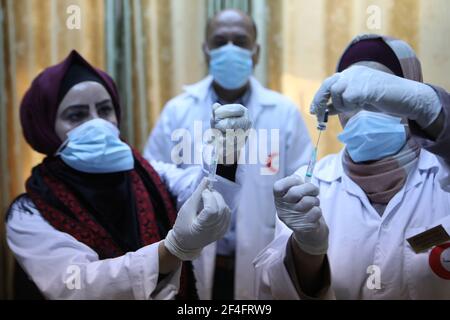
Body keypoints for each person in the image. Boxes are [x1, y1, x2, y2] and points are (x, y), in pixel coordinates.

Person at [6, 50, 235, 300]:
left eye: (105, 110)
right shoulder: (30, 211)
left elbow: (204, 198)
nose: (97, 123)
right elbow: (76, 286)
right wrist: (170, 251)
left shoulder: (148, 174)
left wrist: (225, 154)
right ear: (46, 129)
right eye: (76, 115)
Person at [254, 34, 450, 299]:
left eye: (379, 91)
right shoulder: (310, 187)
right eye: (351, 95)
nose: (365, 108)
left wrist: (431, 105)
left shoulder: (443, 175)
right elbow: (278, 291)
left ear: (410, 94)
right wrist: (307, 250)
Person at [144, 9, 312, 299]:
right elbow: (151, 180)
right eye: (220, 41)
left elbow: (305, 181)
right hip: (191, 259)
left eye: (240, 40)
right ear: (206, 49)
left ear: (256, 51)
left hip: (262, 256)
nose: (230, 49)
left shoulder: (283, 113)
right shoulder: (177, 111)